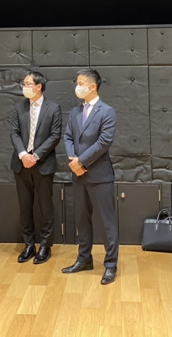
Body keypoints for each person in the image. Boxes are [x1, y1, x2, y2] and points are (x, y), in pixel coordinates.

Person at [61, 68, 119, 285]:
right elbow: (68, 137)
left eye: (80, 83)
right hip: (78, 175)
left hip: (99, 175)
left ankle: (111, 265)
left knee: (106, 222)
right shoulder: (75, 112)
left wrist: (81, 161)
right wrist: (73, 160)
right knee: (82, 219)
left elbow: (104, 142)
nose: (77, 86)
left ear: (93, 86)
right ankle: (84, 259)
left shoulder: (107, 111)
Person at [10, 71, 62, 265]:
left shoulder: (53, 108)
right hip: (21, 164)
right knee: (25, 207)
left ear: (39, 86)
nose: (24, 87)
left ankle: (45, 246)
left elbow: (55, 135)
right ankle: (29, 245)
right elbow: (14, 133)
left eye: (27, 84)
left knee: (45, 207)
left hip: (43, 164)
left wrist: (36, 155)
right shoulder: (19, 107)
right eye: (24, 84)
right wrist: (23, 155)